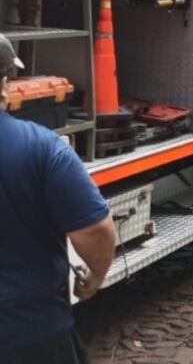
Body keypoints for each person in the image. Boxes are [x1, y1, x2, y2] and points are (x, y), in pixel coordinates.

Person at [0, 32, 117, 363]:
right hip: (30, 329)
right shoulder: (43, 148)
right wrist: (95, 276)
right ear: (4, 85)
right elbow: (95, 230)